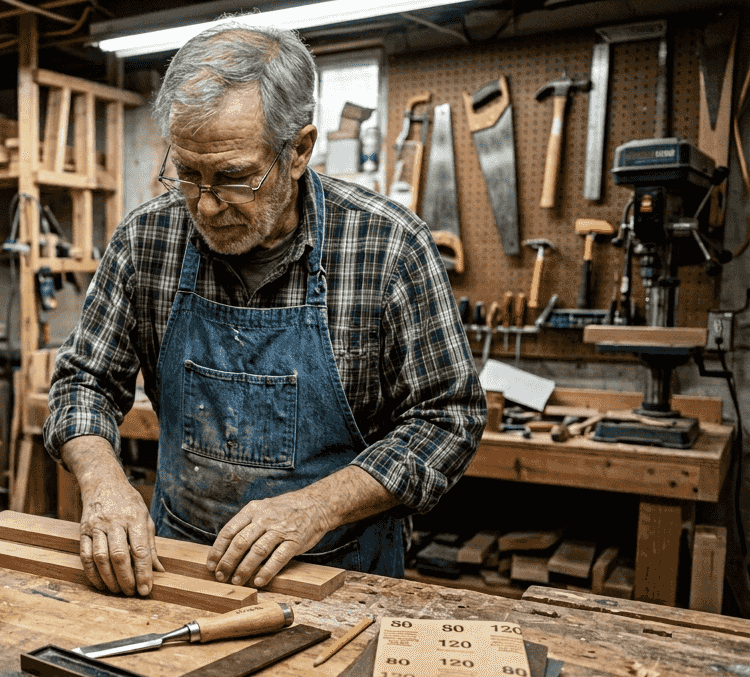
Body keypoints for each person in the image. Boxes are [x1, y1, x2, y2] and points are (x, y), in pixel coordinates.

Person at [43, 21, 485, 598]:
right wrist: (103, 483)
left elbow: (447, 418)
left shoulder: (388, 247)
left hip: (342, 575)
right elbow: (83, 381)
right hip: (178, 566)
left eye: (234, 178)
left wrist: (317, 506)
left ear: (298, 150)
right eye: (187, 174)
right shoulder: (147, 240)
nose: (206, 205)